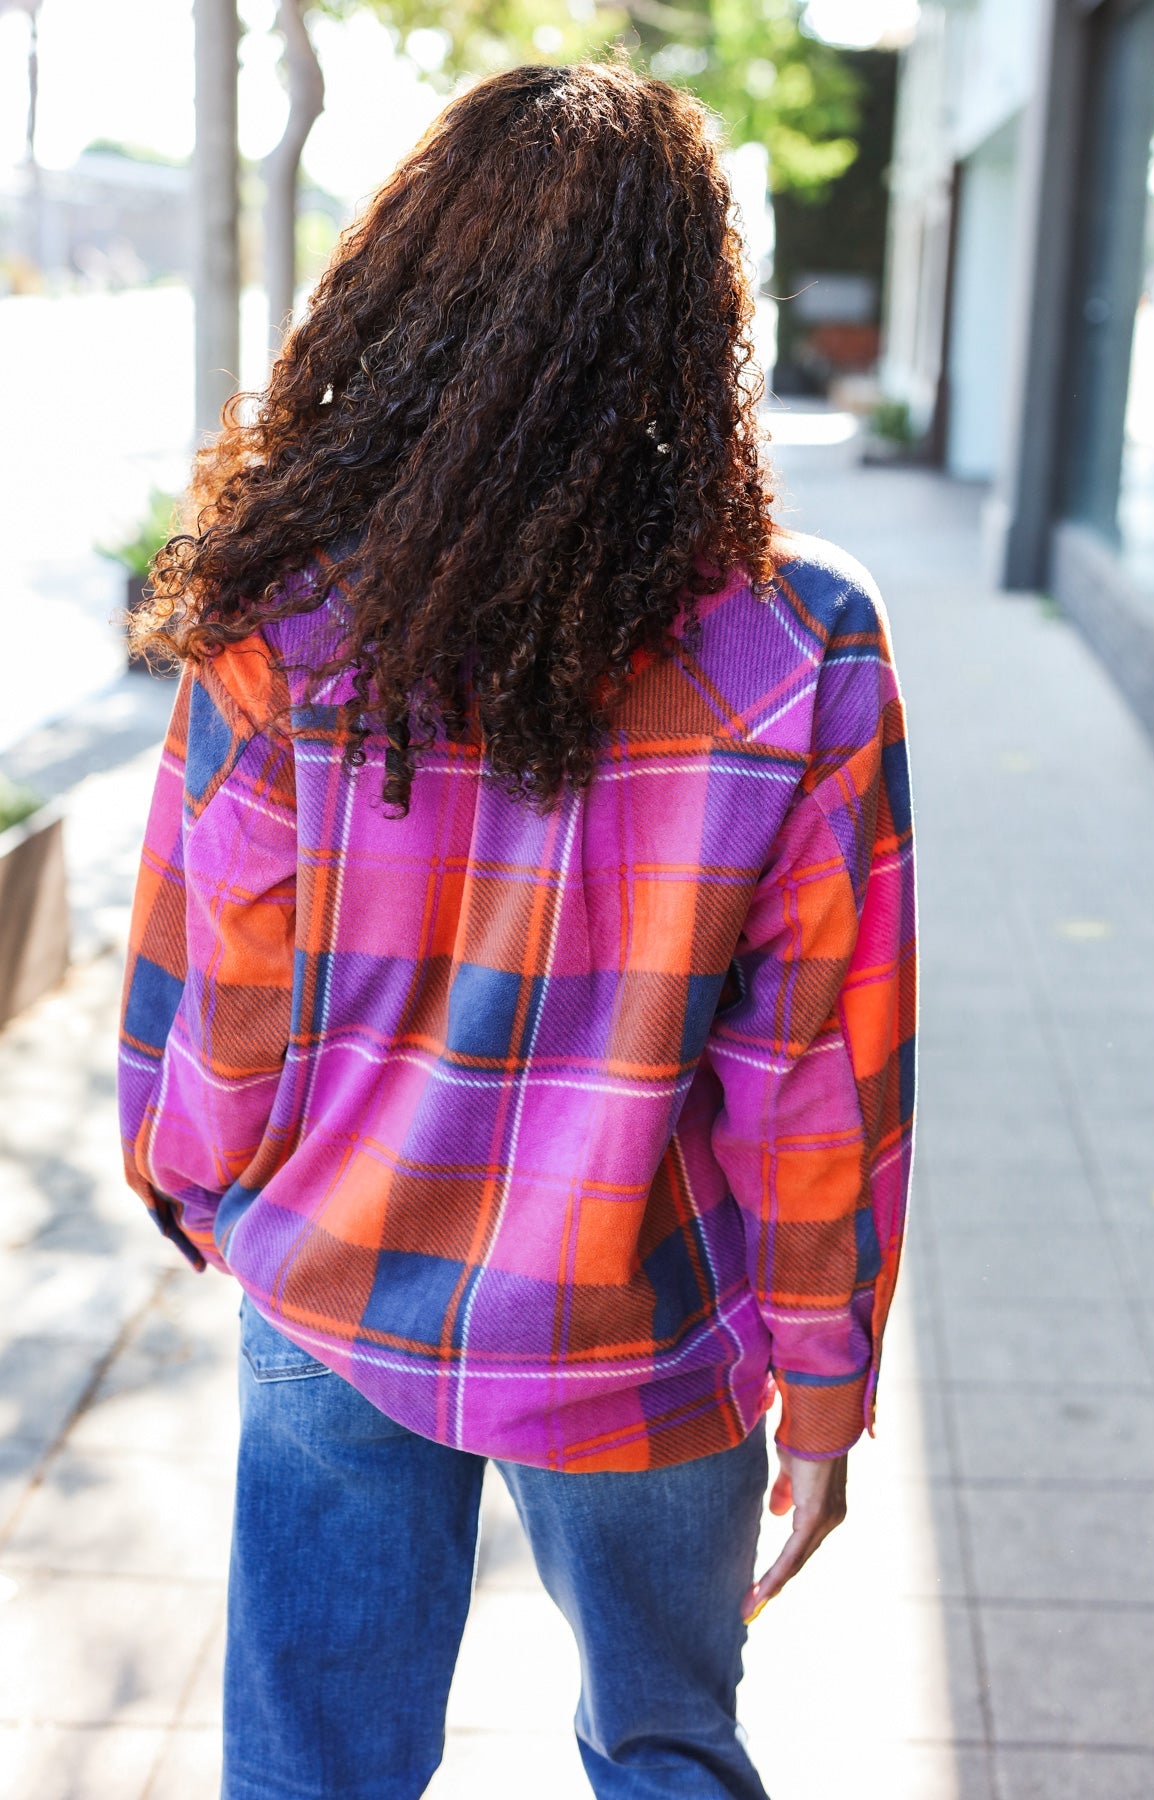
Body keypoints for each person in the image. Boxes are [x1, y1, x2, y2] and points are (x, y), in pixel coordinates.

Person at [118, 55, 916, 1800]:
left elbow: (217, 997)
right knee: (665, 1751)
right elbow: (815, 1078)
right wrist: (829, 1381)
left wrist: (202, 1191)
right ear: (692, 328)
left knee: (314, 1770)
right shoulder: (803, 650)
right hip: (643, 1320)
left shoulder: (281, 629)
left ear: (406, 288)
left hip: (336, 1293)